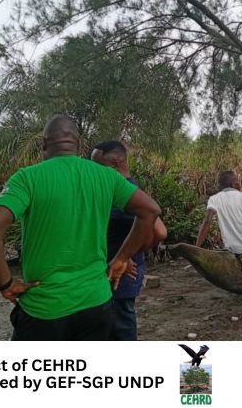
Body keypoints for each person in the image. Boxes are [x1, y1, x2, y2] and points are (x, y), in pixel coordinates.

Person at [0, 115, 161, 341]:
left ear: (43, 144)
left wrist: (6, 284)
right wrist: (122, 257)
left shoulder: (26, 178)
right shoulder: (107, 176)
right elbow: (150, 211)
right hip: (97, 303)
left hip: (44, 309)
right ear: (78, 145)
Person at [91, 140, 168, 341]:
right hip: (112, 275)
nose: (94, 171)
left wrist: (125, 256)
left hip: (119, 278)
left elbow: (160, 231)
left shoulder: (124, 190)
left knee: (120, 330)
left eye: (98, 166)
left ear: (115, 163)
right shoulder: (122, 189)